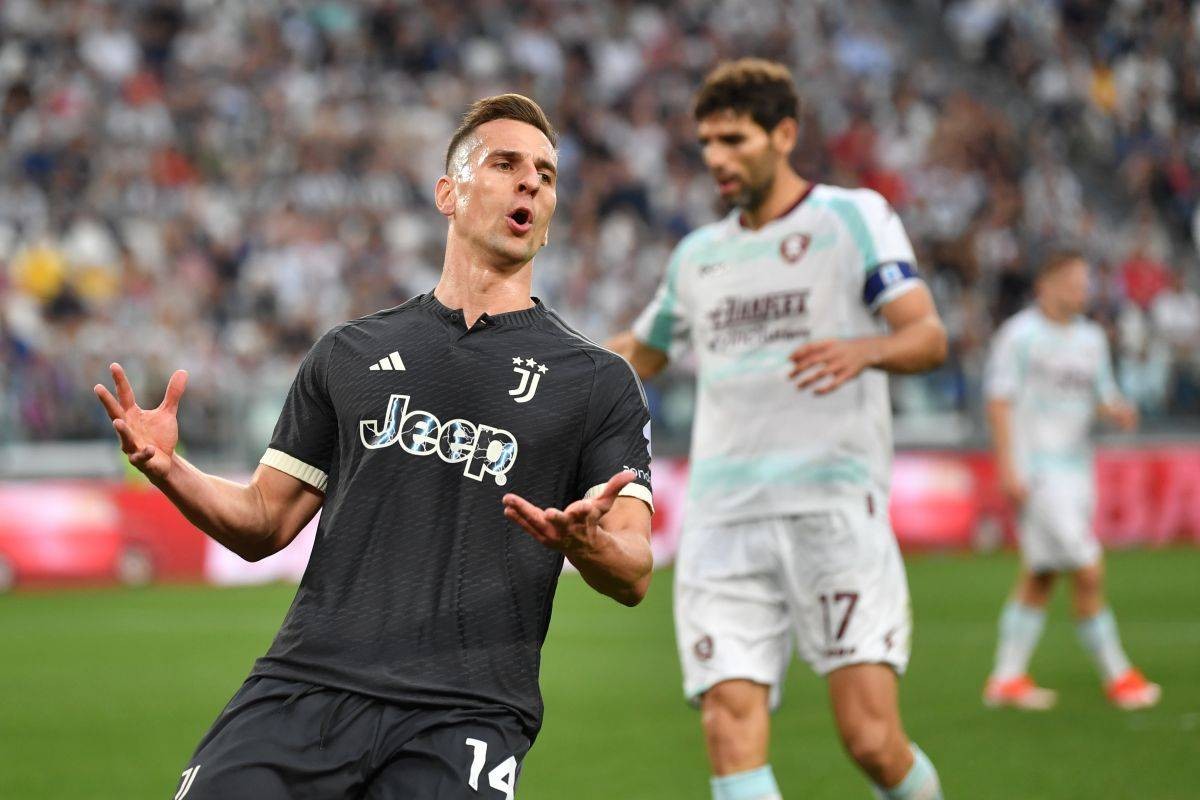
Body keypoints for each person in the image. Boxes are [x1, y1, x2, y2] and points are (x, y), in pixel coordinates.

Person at [94, 94, 655, 799]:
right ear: (448, 193)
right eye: (506, 164)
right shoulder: (350, 352)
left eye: (545, 174)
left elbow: (635, 569)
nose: (530, 183)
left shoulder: (598, 380)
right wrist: (170, 469)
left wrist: (589, 543)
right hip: (306, 685)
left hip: (467, 713)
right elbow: (264, 521)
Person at [609, 59, 947, 800]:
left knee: (871, 741)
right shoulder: (699, 255)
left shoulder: (851, 218)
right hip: (723, 521)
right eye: (706, 142)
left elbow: (927, 336)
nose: (716, 158)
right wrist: (544, 368)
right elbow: (641, 353)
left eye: (734, 139)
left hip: (832, 511)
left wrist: (865, 349)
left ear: (784, 134)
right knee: (728, 728)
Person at [982, 250, 1161, 711]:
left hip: (1078, 469)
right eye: (1075, 282)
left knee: (1041, 574)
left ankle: (1005, 679)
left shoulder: (1091, 338)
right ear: (1047, 284)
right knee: (1088, 567)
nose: (1083, 291)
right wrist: (1008, 467)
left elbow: (1102, 392)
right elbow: (999, 401)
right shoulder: (1019, 336)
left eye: (1086, 283)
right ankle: (1119, 676)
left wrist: (1117, 410)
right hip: (1037, 471)